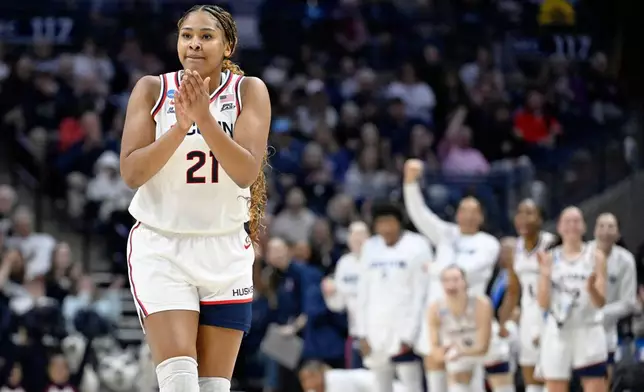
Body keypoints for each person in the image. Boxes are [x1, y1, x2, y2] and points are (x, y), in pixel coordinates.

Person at [119, 5, 271, 392]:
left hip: (225, 249)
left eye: (206, 36)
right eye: (187, 35)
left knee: (213, 388)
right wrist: (180, 127)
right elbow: (132, 173)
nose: (194, 44)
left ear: (228, 46)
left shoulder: (248, 91)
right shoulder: (153, 89)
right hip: (163, 247)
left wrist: (204, 119)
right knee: (181, 385)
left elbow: (245, 171)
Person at [402, 159, 500, 392]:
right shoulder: (446, 234)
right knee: (435, 381)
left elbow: (465, 272)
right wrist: (409, 183)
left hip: (468, 323)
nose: (467, 216)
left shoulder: (488, 244)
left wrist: (435, 269)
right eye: (463, 210)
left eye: (473, 211)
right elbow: (420, 214)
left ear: (481, 217)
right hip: (438, 317)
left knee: (467, 384)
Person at [354, 203, 430, 392]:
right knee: (380, 385)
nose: (386, 228)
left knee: (411, 385)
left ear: (399, 222)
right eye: (381, 223)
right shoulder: (370, 247)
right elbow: (362, 292)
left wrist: (410, 333)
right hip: (375, 328)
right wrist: (361, 332)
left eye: (390, 222)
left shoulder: (417, 245)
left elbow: (421, 292)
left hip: (405, 328)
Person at [536, 207, 608, 392]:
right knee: (556, 385)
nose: (572, 226)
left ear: (584, 226)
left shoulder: (595, 256)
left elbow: (600, 302)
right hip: (559, 330)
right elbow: (543, 303)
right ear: (559, 227)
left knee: (595, 385)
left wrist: (591, 288)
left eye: (576, 221)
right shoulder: (549, 258)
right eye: (567, 221)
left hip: (588, 328)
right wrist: (544, 274)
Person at [498, 199, 555, 392]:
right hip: (528, 316)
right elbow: (513, 290)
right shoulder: (515, 249)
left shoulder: (552, 244)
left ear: (540, 218)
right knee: (531, 381)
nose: (523, 218)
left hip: (551, 316)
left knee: (552, 378)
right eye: (520, 213)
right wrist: (503, 322)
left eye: (529, 213)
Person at [427, 265, 502, 392]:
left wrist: (459, 352)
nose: (451, 285)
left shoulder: (481, 303)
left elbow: (484, 348)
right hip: (459, 352)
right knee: (457, 386)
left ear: (465, 282)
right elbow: (434, 348)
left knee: (503, 387)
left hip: (488, 351)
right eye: (446, 280)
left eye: (455, 280)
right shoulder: (435, 308)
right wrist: (442, 354)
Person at [590, 213, 637, 383]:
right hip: (580, 328)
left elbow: (629, 302)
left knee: (604, 382)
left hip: (608, 331)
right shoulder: (582, 254)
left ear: (618, 234)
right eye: (601, 226)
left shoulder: (626, 260)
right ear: (594, 230)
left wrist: (601, 314)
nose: (605, 231)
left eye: (610, 227)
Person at [321, 221, 370, 369]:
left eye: (362, 235)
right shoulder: (344, 263)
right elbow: (338, 305)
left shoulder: (379, 261)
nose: (358, 239)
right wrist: (330, 292)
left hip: (379, 332)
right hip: (355, 332)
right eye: (354, 235)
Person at [298, 360, 407, 392]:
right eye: (302, 381)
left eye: (307, 379)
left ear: (318, 375)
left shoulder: (335, 379)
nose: (305, 384)